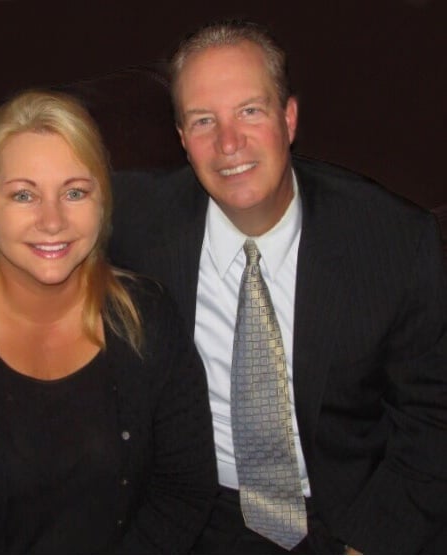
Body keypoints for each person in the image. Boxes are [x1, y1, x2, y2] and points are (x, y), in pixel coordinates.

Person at [109, 20, 447, 554]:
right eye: (203, 120)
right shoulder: (132, 221)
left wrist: (373, 544)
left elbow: (433, 418)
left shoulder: (394, 242)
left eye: (250, 111)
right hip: (196, 511)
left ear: (289, 118)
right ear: (182, 139)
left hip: (350, 512)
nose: (228, 143)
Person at [0, 90, 217, 553]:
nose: (52, 221)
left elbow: (184, 490)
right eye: (24, 195)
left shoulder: (148, 317)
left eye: (74, 192)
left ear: (102, 202)